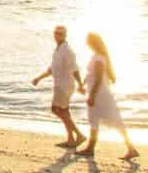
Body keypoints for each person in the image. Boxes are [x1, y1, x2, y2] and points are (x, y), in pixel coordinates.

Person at [78, 32, 139, 161]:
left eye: (88, 41)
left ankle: (131, 148)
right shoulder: (96, 56)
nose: (86, 43)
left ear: (93, 42)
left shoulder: (99, 58)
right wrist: (83, 85)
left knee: (115, 121)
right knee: (94, 120)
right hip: (96, 92)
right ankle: (91, 148)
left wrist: (92, 95)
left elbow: (99, 78)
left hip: (100, 94)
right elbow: (90, 74)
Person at [31, 24, 85, 148]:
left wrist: (81, 85)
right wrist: (39, 78)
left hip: (64, 86)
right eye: (56, 33)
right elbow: (51, 69)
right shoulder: (58, 50)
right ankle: (71, 140)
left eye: (60, 34)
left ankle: (79, 135)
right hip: (59, 84)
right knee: (64, 111)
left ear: (65, 35)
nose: (57, 35)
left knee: (56, 110)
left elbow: (75, 70)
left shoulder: (67, 51)